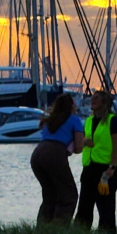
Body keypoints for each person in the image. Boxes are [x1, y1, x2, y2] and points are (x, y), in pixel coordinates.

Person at [31, 94, 86, 225]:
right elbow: (78, 147)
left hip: (38, 153)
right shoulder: (74, 120)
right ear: (71, 105)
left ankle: (43, 230)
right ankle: (58, 230)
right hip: (55, 153)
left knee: (50, 195)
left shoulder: (50, 120)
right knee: (69, 195)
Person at [75, 91, 117, 234]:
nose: (92, 100)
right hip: (90, 166)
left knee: (105, 203)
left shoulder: (112, 121)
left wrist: (112, 167)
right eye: (92, 97)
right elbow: (84, 141)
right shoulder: (89, 121)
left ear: (104, 102)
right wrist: (84, 142)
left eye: (96, 98)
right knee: (85, 201)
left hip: (107, 167)